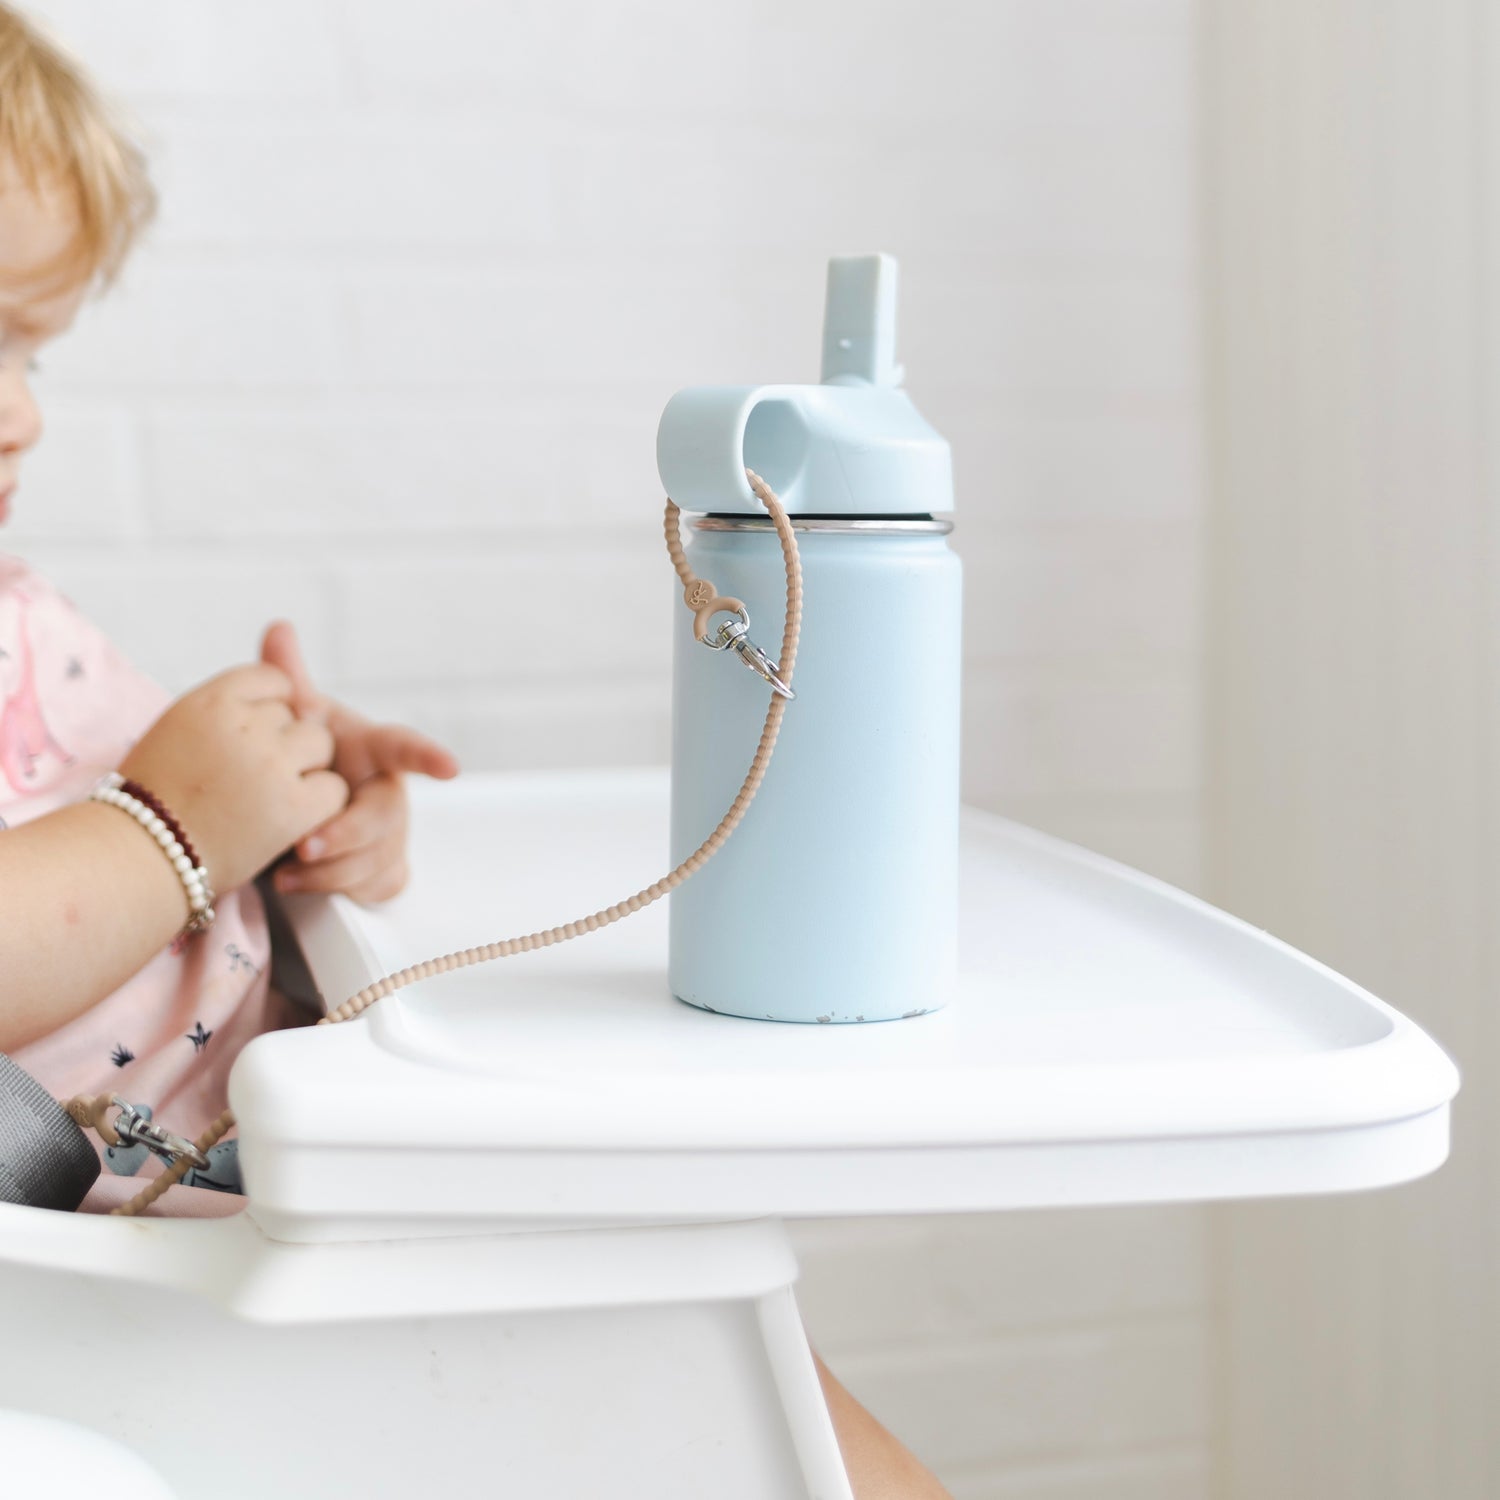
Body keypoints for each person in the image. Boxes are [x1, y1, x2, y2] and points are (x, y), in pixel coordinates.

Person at [0, 7, 951, 1495]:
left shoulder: (14, 606)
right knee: (717, 1374)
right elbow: (128, 841)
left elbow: (137, 800)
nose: (26, 416)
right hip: (173, 1263)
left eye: (31, 347)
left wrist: (293, 798)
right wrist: (178, 827)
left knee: (734, 1330)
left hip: (322, 1139)